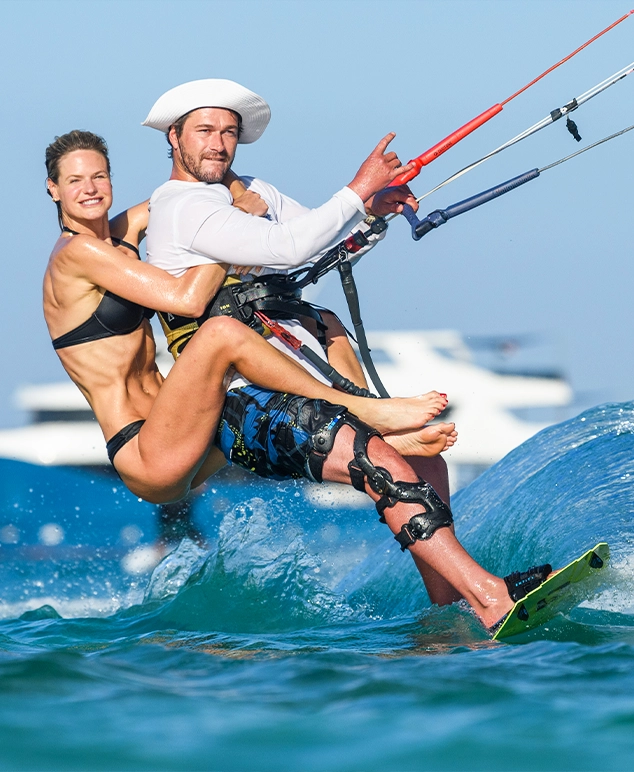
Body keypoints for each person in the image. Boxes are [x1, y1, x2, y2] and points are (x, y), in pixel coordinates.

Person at [142, 80, 553, 629]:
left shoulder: (250, 189)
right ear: (174, 138)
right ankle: (489, 596)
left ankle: (450, 608)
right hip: (240, 402)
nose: (218, 143)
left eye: (228, 132)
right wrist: (359, 188)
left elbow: (320, 236)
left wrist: (372, 211)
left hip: (294, 376)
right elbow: (285, 247)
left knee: (423, 461)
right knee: (377, 461)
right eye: (204, 132)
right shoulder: (179, 208)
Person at [42, 129, 452, 519]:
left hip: (191, 427)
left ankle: (373, 434)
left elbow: (197, 190)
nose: (90, 188)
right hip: (147, 452)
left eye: (99, 176)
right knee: (222, 334)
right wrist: (232, 227)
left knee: (318, 323)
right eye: (75, 180)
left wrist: (365, 205)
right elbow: (189, 298)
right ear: (53, 189)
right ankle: (363, 413)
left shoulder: (119, 237)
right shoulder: (75, 252)